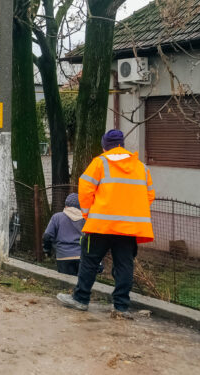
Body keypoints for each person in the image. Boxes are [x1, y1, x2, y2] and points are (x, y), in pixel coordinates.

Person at [57, 129, 155, 319]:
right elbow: (149, 196)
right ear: (122, 146)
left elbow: (84, 189)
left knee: (89, 261)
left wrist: (87, 213)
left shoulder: (100, 163)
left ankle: (81, 299)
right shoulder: (141, 168)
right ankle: (121, 307)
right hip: (128, 228)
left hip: (101, 225)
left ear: (105, 146)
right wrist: (129, 211)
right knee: (125, 265)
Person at [42, 193, 85, 275]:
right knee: (80, 284)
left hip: (63, 256)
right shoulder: (86, 219)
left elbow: (47, 235)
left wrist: (47, 250)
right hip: (82, 256)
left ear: (66, 205)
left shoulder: (57, 217)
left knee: (65, 285)